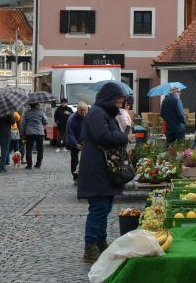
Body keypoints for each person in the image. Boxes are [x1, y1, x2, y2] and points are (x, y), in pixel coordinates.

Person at [78, 82, 130, 263]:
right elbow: (104, 137)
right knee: (98, 209)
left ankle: (100, 242)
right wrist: (124, 137)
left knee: (104, 207)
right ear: (109, 97)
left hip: (104, 169)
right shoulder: (97, 113)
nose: (122, 101)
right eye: (119, 98)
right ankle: (90, 248)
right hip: (96, 169)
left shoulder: (104, 113)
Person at [20, 103, 48, 169]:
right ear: (37, 105)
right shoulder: (41, 112)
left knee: (29, 149)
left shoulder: (26, 113)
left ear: (30, 105)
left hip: (29, 133)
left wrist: (22, 133)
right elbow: (46, 122)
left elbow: (23, 124)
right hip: (39, 133)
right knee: (40, 149)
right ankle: (38, 164)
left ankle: (29, 165)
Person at [66, 102, 88, 181]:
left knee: (87, 159)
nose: (84, 112)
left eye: (85, 110)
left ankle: (85, 175)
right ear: (78, 110)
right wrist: (76, 144)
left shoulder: (88, 117)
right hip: (74, 140)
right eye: (82, 110)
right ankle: (75, 175)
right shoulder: (72, 119)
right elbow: (70, 133)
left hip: (85, 141)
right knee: (74, 159)